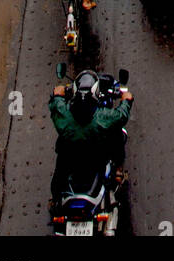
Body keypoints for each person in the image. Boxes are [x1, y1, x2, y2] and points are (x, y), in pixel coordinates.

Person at [49, 68, 133, 196]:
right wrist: (126, 101)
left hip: (69, 161)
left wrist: (57, 95)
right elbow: (121, 115)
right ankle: (118, 172)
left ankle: (55, 200)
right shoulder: (103, 117)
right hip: (98, 160)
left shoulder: (63, 113)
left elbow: (56, 103)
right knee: (118, 134)